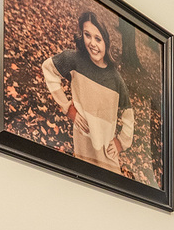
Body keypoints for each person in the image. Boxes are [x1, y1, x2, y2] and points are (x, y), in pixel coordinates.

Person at [42, 11, 135, 175]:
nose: (92, 43)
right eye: (87, 35)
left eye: (98, 38)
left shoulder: (115, 79)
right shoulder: (74, 60)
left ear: (105, 42)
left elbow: (128, 114)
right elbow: (48, 68)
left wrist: (121, 143)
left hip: (107, 157)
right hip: (83, 150)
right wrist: (68, 108)